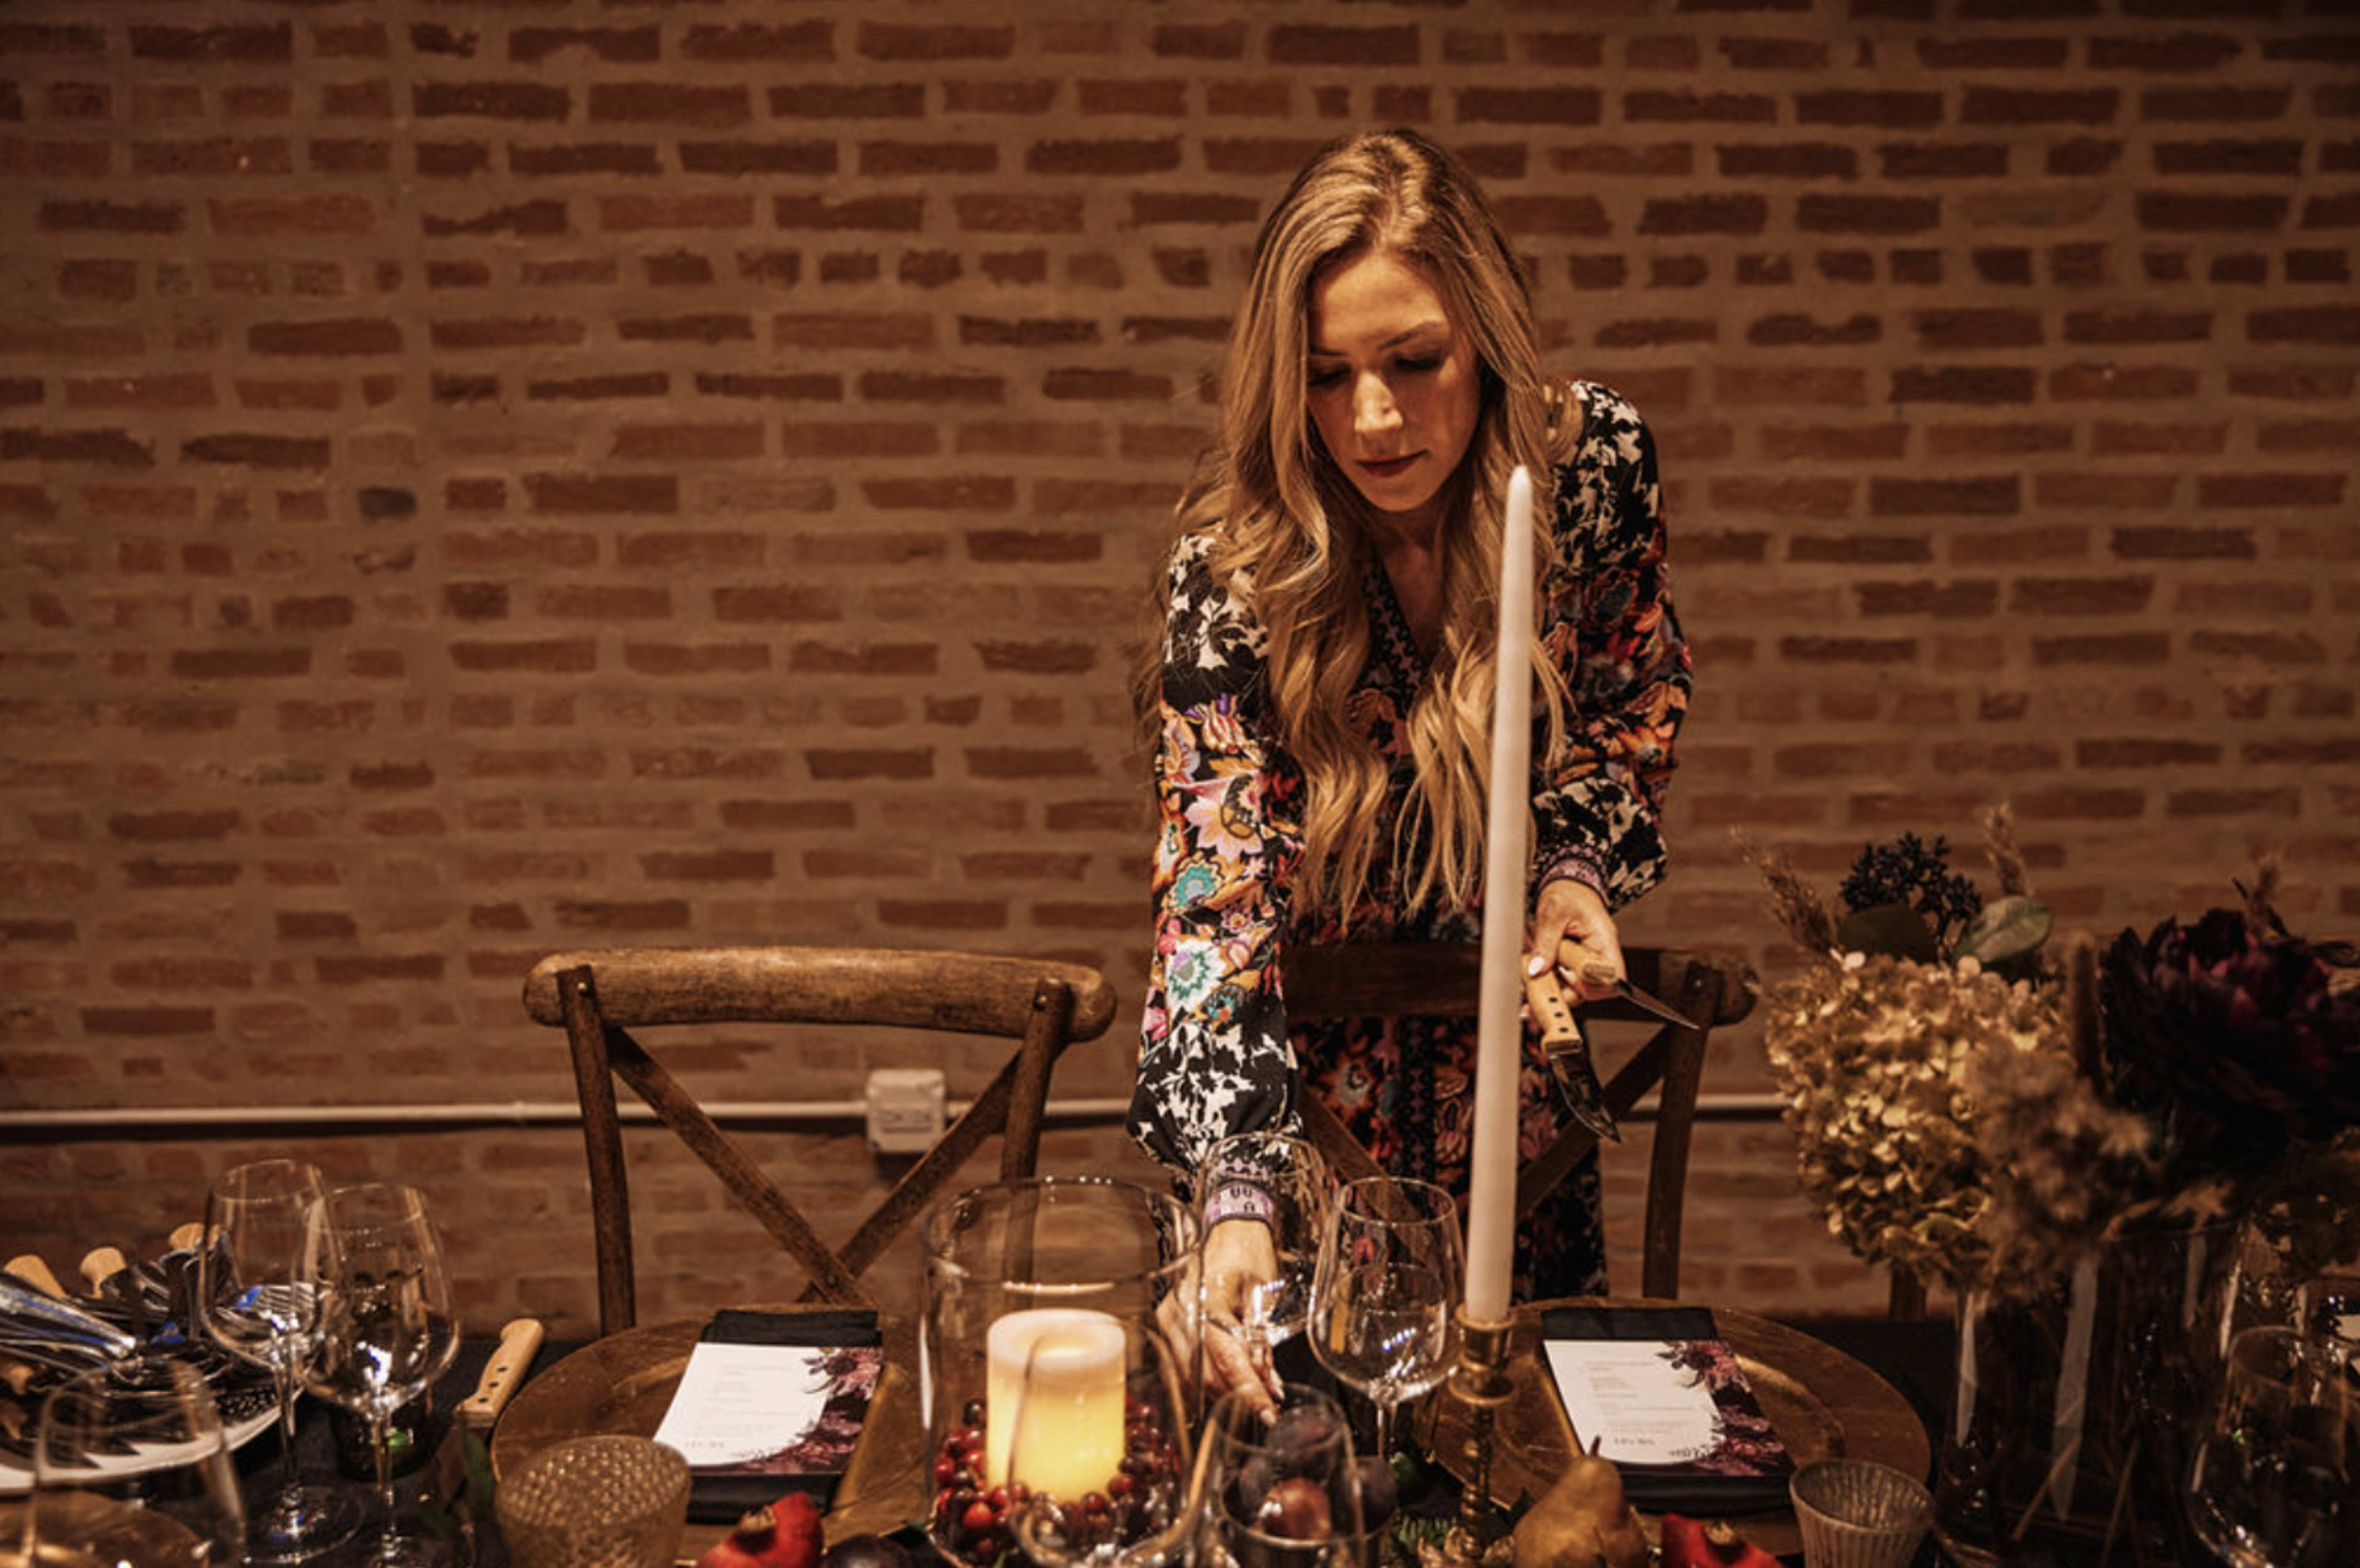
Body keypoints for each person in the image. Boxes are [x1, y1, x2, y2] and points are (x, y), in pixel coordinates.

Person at [1124, 129, 1689, 1413]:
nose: (1372, 418)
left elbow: (1628, 700)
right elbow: (1215, 897)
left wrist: (1574, 869)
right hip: (1292, 1133)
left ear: (1484, 336)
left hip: (1513, 1135)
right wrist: (1234, 1196)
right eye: (1327, 377)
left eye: (1413, 362)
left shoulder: (1589, 473)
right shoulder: (1236, 568)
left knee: (1523, 1491)